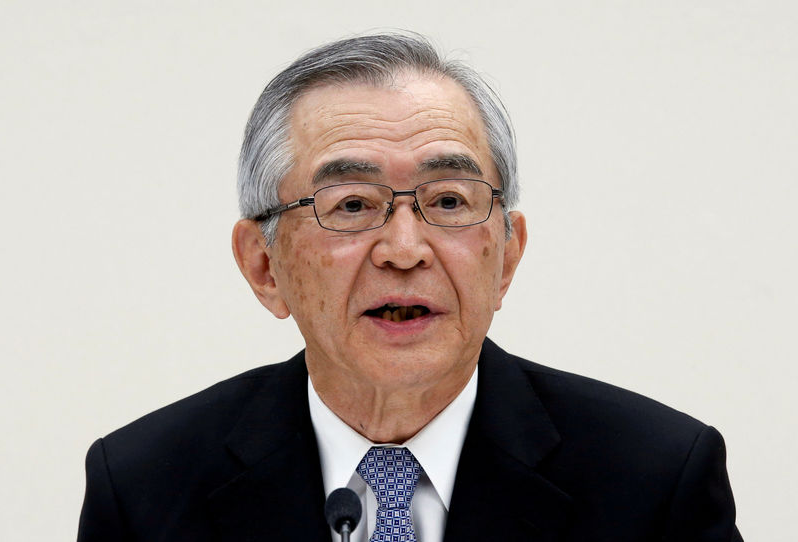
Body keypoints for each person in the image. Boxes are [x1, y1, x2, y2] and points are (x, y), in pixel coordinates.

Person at [77, 33, 742, 542]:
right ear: (263, 266)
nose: (404, 249)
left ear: (506, 256)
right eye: (351, 205)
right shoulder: (143, 488)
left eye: (449, 201)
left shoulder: (657, 483)